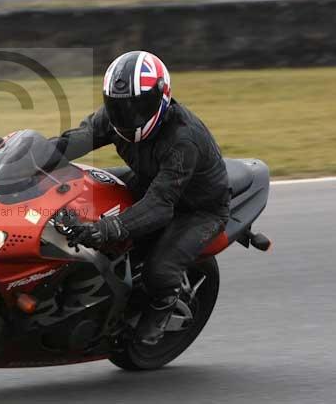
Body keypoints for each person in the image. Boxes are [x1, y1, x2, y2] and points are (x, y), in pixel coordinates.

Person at [50, 50, 230, 345]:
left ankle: (164, 305)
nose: (128, 115)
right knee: (81, 187)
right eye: (119, 106)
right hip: (148, 181)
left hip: (197, 208)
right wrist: (31, 157)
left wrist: (106, 228)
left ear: (162, 96)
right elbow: (74, 141)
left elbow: (160, 205)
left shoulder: (183, 139)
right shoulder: (113, 119)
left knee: (159, 270)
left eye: (139, 106)